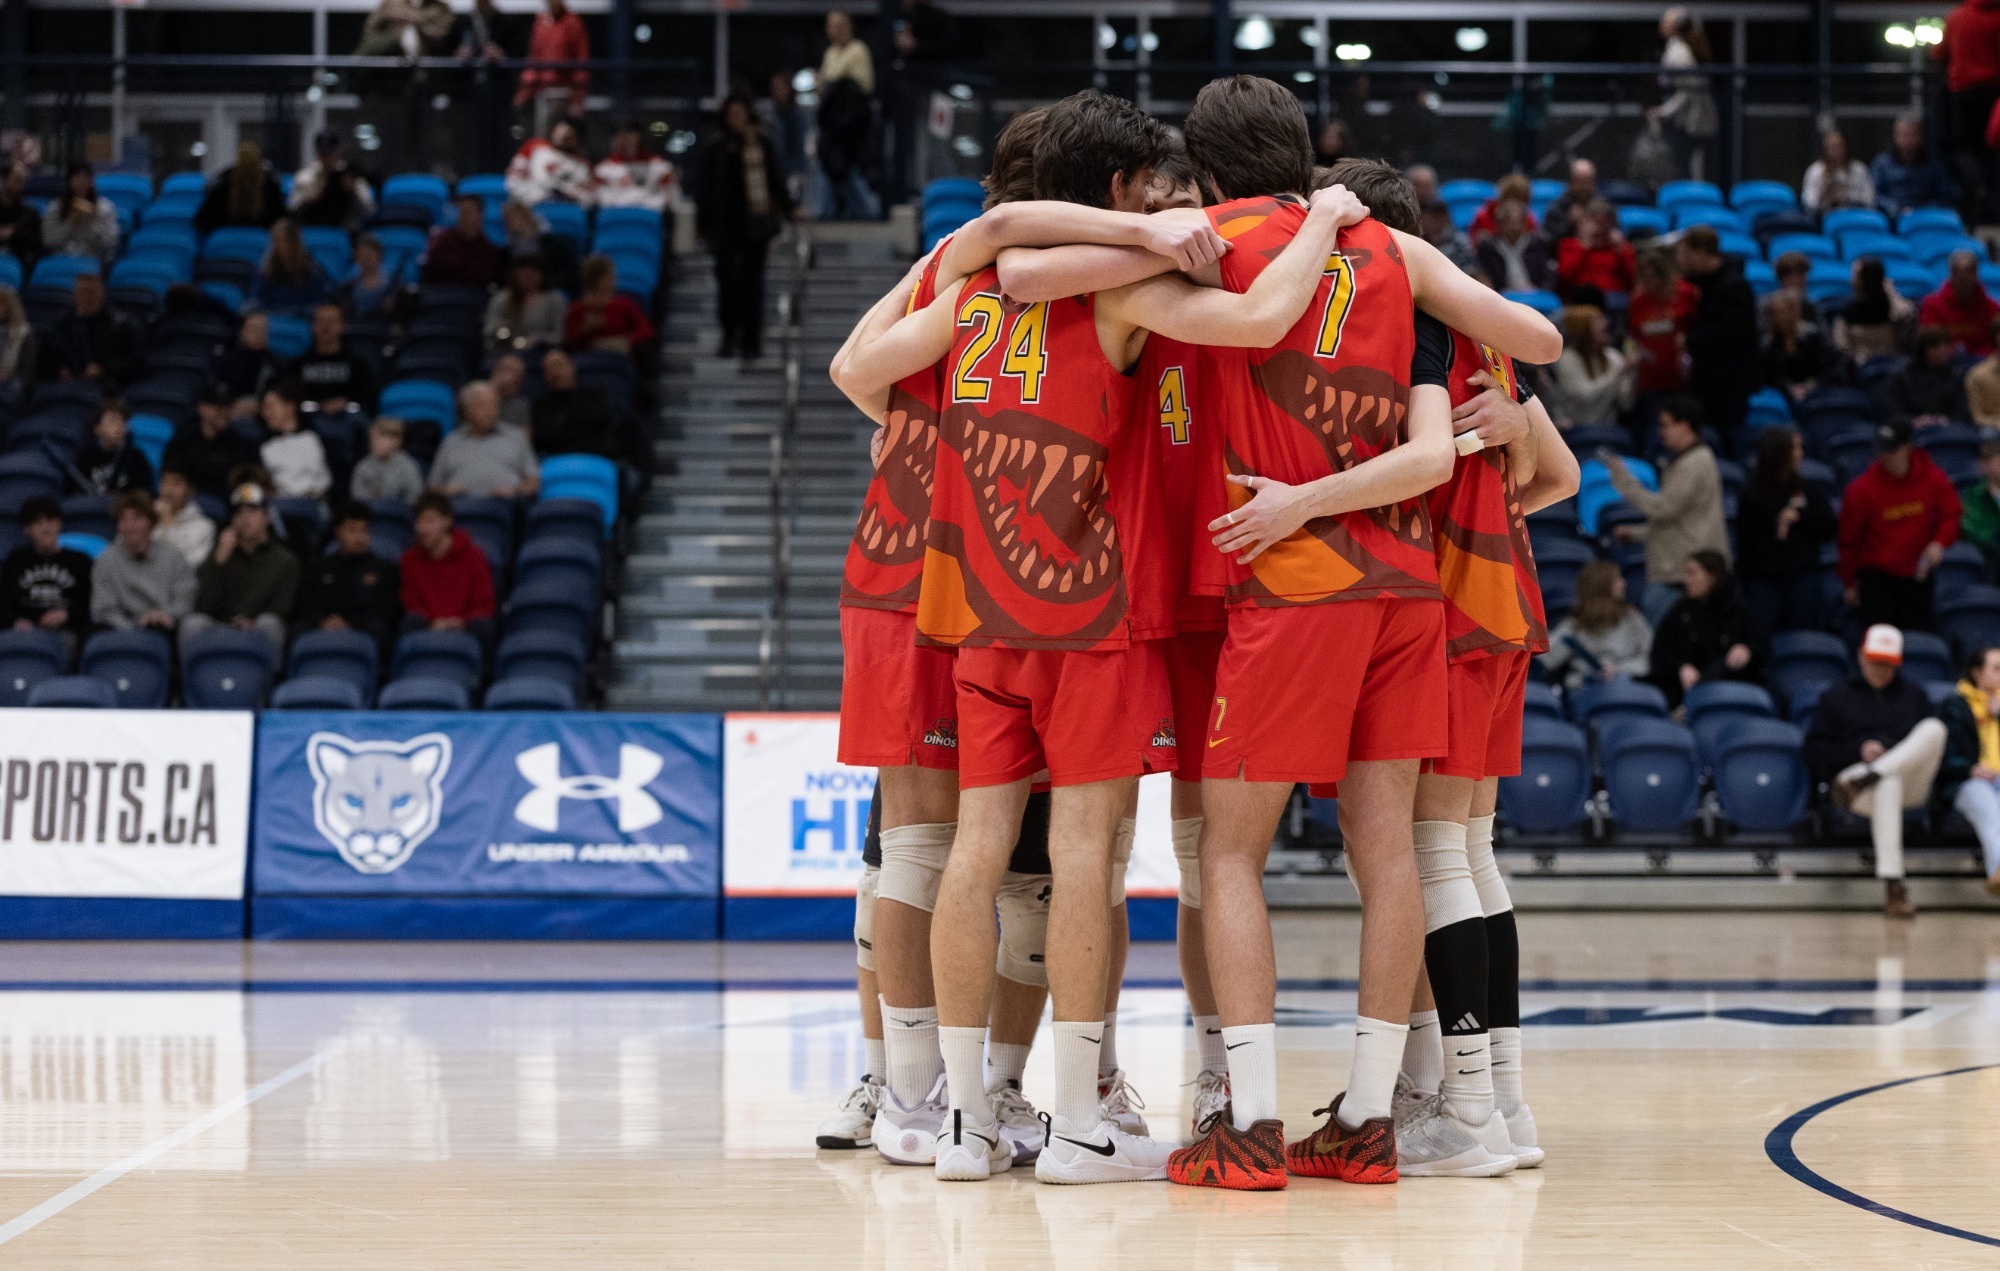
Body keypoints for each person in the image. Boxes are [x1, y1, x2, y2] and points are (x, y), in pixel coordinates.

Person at [1802, 624, 1942, 916]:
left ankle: (1878, 771)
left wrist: (1887, 756)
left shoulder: (1915, 696)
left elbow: (1926, 745)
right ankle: (1893, 884)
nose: (1881, 668)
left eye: (1888, 663)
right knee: (1887, 781)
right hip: (1853, 785)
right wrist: (1859, 750)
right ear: (1861, 656)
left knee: (1934, 728)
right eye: (1875, 660)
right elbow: (1813, 750)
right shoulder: (1835, 696)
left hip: (1909, 782)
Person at [1604, 394, 1730, 621]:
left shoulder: (1693, 463)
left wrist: (1624, 481)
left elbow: (1663, 509)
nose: (1660, 432)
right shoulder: (1694, 459)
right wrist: (1635, 534)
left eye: (1665, 425)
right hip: (1680, 571)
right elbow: (1680, 519)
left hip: (1679, 575)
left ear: (1684, 425)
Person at [1838, 419, 1962, 631]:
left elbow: (1951, 514)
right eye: (1880, 450)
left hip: (1917, 577)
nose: (1884, 456)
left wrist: (1939, 542)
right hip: (1877, 579)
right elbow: (1848, 540)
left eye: (1890, 450)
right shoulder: (1861, 490)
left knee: (1916, 641)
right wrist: (1849, 582)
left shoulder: (1933, 479)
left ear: (1906, 448)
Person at [697, 93, 793, 359]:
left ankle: (752, 341)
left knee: (753, 285)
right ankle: (729, 335)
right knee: (727, 284)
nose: (737, 119)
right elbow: (704, 191)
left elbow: (775, 180)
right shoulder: (714, 148)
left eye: (741, 114)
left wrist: (788, 209)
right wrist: (702, 228)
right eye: (732, 114)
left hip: (755, 226)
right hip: (724, 227)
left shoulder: (761, 144)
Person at [184, 482, 299, 660]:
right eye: (239, 513)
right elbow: (203, 607)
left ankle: (271, 682)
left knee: (270, 624)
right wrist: (219, 561)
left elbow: (282, 609)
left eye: (252, 511)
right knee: (193, 624)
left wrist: (251, 621)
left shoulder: (285, 560)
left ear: (267, 517)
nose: (245, 519)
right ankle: (191, 683)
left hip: (258, 626)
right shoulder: (221, 554)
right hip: (222, 625)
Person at [1737, 427, 1836, 632]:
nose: (1800, 454)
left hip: (1803, 578)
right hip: (1764, 581)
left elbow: (1828, 529)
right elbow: (1746, 544)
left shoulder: (1809, 490)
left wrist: (1801, 516)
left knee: (1804, 633)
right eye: (1795, 448)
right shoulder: (1751, 495)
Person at [1648, 549, 1767, 708]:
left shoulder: (1738, 611)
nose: (1686, 580)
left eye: (1692, 573)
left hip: (1734, 690)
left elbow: (1763, 646)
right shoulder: (1679, 612)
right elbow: (1660, 652)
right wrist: (1681, 668)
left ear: (1712, 578)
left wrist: (1747, 650)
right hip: (1684, 694)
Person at [1676, 224, 1760, 440]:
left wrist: (1690, 339)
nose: (1681, 260)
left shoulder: (1734, 286)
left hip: (1728, 383)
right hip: (1706, 379)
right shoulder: (1696, 284)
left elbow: (1732, 331)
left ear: (1702, 252)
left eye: (1686, 254)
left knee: (1726, 436)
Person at [295, 502, 402, 651]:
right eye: (352, 530)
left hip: (363, 628)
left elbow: (385, 611)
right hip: (323, 625)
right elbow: (308, 604)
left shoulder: (385, 569)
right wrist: (322, 622)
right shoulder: (319, 568)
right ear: (338, 532)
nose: (359, 537)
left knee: (378, 629)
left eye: (364, 530)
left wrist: (350, 624)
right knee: (298, 630)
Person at [90, 490, 196, 638]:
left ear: (151, 522)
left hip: (166, 623)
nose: (131, 526)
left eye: (137, 518)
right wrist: (133, 626)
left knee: (192, 625)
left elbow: (185, 597)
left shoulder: (173, 555)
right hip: (122, 629)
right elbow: (103, 609)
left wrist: (166, 615)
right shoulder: (105, 560)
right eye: (123, 520)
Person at [1938, 644, 2000, 894]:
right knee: (1988, 808)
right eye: (1996, 669)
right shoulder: (1955, 705)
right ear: (1976, 672)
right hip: (1968, 780)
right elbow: (1943, 755)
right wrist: (1969, 769)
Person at [1539, 559, 1654, 691]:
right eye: (1618, 579)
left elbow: (1649, 658)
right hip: (1585, 688)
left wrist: (1618, 669)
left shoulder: (1633, 618)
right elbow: (1546, 658)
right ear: (1602, 586)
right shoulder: (1575, 624)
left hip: (1628, 685)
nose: (1624, 583)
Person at [400, 491, 495, 645]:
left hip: (466, 626)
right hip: (427, 625)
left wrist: (460, 622)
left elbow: (483, 603)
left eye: (429, 521)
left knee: (483, 626)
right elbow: (411, 601)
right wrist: (433, 623)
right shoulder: (410, 559)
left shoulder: (474, 555)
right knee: (411, 622)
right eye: (419, 522)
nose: (422, 529)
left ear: (447, 521)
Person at [1935, 0, 2000, 222]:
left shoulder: (1957, 16)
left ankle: (1975, 187)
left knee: (1963, 148)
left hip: (1962, 92)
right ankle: (1989, 194)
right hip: (1993, 94)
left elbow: (1937, 53)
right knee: (1991, 148)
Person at [0, 497, 91, 650]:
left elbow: (90, 604)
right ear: (27, 529)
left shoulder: (80, 561)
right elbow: (3, 602)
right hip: (23, 632)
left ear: (60, 524)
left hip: (66, 631)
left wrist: (67, 614)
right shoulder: (16, 560)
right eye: (38, 523)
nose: (45, 528)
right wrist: (15, 621)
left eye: (50, 520)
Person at [816, 10, 880, 221]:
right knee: (833, 179)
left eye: (837, 25)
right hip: (832, 131)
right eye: (830, 26)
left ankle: (870, 219)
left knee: (853, 178)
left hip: (853, 131)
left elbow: (861, 86)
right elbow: (825, 86)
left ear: (848, 26)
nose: (833, 31)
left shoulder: (858, 50)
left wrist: (832, 84)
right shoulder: (830, 53)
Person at [429, 381, 540, 497]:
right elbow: (432, 488)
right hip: (459, 507)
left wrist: (517, 491)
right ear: (467, 410)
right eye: (482, 406)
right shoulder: (451, 441)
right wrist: (446, 492)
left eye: (493, 405)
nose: (490, 412)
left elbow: (534, 482)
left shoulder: (516, 437)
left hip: (508, 506)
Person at [38, 271, 140, 388]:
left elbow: (135, 363)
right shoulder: (61, 324)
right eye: (83, 292)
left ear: (102, 294)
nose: (88, 298)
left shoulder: (120, 325)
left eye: (92, 293)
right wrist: (57, 370)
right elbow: (44, 358)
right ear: (75, 295)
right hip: (66, 385)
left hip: (106, 387)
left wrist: (103, 369)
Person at [1653, 8, 1718, 180]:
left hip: (1687, 123)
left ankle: (1684, 203)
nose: (1661, 24)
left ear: (1674, 26)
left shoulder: (1679, 53)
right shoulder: (1676, 49)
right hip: (1685, 121)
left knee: (1679, 169)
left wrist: (1664, 111)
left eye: (1665, 21)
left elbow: (1688, 90)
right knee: (1679, 167)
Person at [163, 387, 260, 500]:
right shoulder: (183, 442)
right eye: (218, 407)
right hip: (189, 505)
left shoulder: (241, 444)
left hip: (229, 507)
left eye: (227, 406)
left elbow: (250, 485)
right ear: (202, 408)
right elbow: (171, 479)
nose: (224, 412)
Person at [1626, 249, 1694, 408]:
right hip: (1650, 377)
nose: (1647, 282)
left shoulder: (1685, 293)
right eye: (1643, 277)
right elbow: (1632, 335)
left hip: (1681, 376)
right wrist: (1629, 352)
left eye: (1651, 276)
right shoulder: (1638, 300)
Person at [1548, 304, 1633, 428]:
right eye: (1596, 322)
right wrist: (1618, 372)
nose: (1605, 323)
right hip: (1577, 428)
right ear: (1583, 330)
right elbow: (1585, 396)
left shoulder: (1612, 356)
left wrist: (1632, 374)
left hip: (1609, 427)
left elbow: (1626, 404)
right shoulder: (1568, 359)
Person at [530, 348, 617, 458]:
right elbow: (544, 436)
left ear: (572, 367)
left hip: (596, 458)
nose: (555, 372)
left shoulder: (595, 395)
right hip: (555, 460)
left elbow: (598, 422)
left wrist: (562, 422)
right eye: (548, 369)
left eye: (558, 365)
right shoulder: (540, 403)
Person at [515, 0, 590, 129]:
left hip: (563, 91)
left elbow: (581, 62)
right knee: (540, 134)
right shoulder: (540, 22)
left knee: (559, 134)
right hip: (540, 91)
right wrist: (524, 91)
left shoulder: (573, 23)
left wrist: (577, 99)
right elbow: (534, 58)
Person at [289, 303, 376, 413]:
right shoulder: (297, 365)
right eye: (320, 321)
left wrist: (345, 402)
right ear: (313, 326)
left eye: (332, 321)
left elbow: (368, 400)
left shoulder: (358, 364)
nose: (326, 326)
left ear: (342, 326)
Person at [1882, 325, 1971, 429]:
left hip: (1947, 429)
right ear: (1924, 350)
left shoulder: (1955, 375)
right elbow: (1891, 414)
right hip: (1909, 431)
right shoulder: (1902, 377)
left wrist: (1945, 419)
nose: (1943, 351)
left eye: (1947, 346)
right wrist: (1914, 421)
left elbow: (1962, 412)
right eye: (1936, 347)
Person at [564, 255, 655, 355]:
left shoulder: (624, 304)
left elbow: (646, 329)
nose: (614, 279)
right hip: (587, 359)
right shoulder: (577, 309)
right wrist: (585, 330)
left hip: (620, 355)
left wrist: (627, 341)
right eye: (610, 275)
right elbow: (568, 343)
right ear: (599, 279)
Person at [1871, 113, 1958, 218]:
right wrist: (1896, 208)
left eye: (1913, 135)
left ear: (1920, 136)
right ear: (1896, 136)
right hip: (1891, 218)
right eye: (1904, 135)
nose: (1908, 140)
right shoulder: (1882, 163)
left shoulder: (1933, 164)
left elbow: (1944, 196)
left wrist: (1920, 210)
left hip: (1926, 216)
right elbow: (1875, 195)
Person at [1833, 257, 1916, 364]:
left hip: (1892, 367)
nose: (1852, 281)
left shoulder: (1892, 309)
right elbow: (1841, 346)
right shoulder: (1847, 311)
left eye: (1856, 276)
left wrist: (1892, 293)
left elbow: (1906, 315)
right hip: (1859, 369)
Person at [1917, 250, 2000, 356]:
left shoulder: (1992, 307)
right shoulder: (1932, 305)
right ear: (1952, 274)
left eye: (1968, 273)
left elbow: (1995, 343)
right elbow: (1928, 342)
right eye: (1960, 275)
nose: (1964, 280)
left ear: (1976, 274)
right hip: (1944, 364)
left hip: (1982, 364)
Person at [289, 131, 377, 230]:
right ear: (318, 154)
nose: (327, 158)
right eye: (323, 154)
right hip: (312, 228)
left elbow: (370, 210)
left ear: (338, 151)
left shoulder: (349, 175)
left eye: (330, 153)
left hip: (346, 230)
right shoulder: (304, 177)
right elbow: (291, 210)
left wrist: (352, 191)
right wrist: (306, 199)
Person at [258, 384, 332, 500]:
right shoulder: (267, 447)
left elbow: (323, 479)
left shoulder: (311, 439)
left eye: (270, 407)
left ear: (289, 406)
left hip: (313, 502)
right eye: (264, 408)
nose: (265, 413)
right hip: (281, 504)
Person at [483, 253, 567, 354]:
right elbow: (488, 329)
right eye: (524, 273)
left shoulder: (555, 299)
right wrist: (500, 329)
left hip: (540, 353)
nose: (528, 277)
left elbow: (559, 335)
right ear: (515, 274)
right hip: (504, 352)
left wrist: (537, 339)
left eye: (533, 273)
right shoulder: (501, 298)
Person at [194, 143, 285, 234]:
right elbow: (280, 218)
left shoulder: (223, 183)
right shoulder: (270, 185)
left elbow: (202, 220)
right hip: (261, 239)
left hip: (226, 239)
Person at [1761, 290, 1834, 402]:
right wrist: (1790, 388)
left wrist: (1809, 386)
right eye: (1776, 314)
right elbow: (1770, 376)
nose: (1779, 318)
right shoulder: (1769, 345)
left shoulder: (1814, 338)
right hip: (1781, 395)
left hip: (1816, 391)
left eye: (1783, 313)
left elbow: (1826, 369)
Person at [1555, 200, 1635, 301]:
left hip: (1614, 299)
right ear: (1584, 224)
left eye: (1604, 223)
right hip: (1580, 299)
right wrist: (1585, 247)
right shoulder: (1569, 245)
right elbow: (1565, 278)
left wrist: (1620, 251)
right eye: (1596, 222)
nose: (1600, 228)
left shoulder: (1621, 248)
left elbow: (1632, 280)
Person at [41, 163, 118, 264]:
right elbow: (48, 240)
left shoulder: (105, 208)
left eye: (86, 178)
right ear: (69, 181)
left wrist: (90, 223)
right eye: (77, 177)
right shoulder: (55, 207)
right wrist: (70, 222)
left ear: (92, 181)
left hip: (93, 260)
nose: (82, 182)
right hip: (62, 260)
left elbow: (110, 242)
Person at [504, 119, 594, 207]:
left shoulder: (582, 165)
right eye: (560, 131)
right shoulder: (534, 147)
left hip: (563, 210)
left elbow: (589, 197)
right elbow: (513, 181)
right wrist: (540, 197)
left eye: (569, 135)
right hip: (531, 206)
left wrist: (568, 197)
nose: (562, 137)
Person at [74, 399, 153, 495]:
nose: (119, 426)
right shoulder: (85, 458)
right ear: (97, 429)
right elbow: (75, 494)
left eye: (123, 421)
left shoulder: (136, 458)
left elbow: (143, 495)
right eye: (112, 421)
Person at [253, 217, 331, 316]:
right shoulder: (266, 269)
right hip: (272, 320)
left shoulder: (312, 270)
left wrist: (294, 312)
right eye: (273, 240)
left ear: (293, 242)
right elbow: (257, 300)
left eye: (279, 240)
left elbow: (319, 303)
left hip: (303, 321)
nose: (275, 245)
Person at [425, 196, 505, 290]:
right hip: (443, 294)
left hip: (473, 298)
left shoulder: (489, 249)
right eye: (461, 212)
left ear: (480, 214)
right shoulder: (442, 242)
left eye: (469, 212)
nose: (464, 216)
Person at [594, 121, 675, 211]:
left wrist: (647, 203)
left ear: (639, 136)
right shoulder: (604, 168)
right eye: (620, 135)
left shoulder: (659, 166)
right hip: (618, 215)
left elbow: (670, 195)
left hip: (649, 215)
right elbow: (601, 197)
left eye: (629, 134)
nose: (624, 139)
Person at [1474, 198, 1552, 292]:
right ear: (1500, 223)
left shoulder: (1536, 244)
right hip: (1501, 296)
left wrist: (1538, 290)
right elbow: (1486, 278)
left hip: (1534, 294)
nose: (1515, 228)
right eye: (1510, 222)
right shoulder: (1488, 248)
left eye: (1518, 222)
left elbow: (1548, 276)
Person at [351, 416, 424, 505]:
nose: (373, 443)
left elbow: (415, 497)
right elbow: (357, 499)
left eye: (378, 439)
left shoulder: (408, 465)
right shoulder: (363, 466)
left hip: (399, 514)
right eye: (371, 439)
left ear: (396, 441)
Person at [215, 311, 283, 404]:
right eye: (253, 329)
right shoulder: (225, 359)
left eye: (263, 330)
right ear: (242, 331)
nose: (258, 334)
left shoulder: (276, 362)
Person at [1802, 128, 1875, 214]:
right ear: (1825, 149)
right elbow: (1808, 204)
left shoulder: (1859, 169)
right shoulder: (1815, 171)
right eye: (1832, 147)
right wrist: (1824, 193)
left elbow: (1870, 201)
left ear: (1846, 147)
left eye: (1839, 146)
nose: (1836, 152)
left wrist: (1847, 196)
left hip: (1855, 214)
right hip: (1824, 216)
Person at [154, 468, 216, 568]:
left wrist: (169, 526)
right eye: (164, 482)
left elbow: (188, 567)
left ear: (190, 490)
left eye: (176, 483)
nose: (168, 490)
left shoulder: (204, 527)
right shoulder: (145, 516)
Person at [337, 235, 403, 320]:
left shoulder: (393, 284)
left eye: (369, 256)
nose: (366, 260)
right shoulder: (349, 285)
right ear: (357, 258)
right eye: (363, 256)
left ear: (380, 257)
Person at [1539, 157, 1598, 244]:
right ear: (1570, 182)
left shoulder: (1603, 209)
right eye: (1579, 181)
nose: (1583, 187)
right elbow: (1547, 244)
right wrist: (1568, 223)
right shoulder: (1555, 209)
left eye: (1587, 181)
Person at [1467, 173, 1538, 245]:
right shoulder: (1482, 217)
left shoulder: (1528, 220)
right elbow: (1474, 245)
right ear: (1502, 198)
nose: (1515, 205)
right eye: (1512, 198)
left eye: (1521, 201)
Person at [1417, 194, 1478, 275]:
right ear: (1422, 219)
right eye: (1433, 217)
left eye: (1441, 217)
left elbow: (1471, 272)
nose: (1437, 223)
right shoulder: (1416, 241)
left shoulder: (1459, 241)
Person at [0, 161, 44, 266]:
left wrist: (13, 233)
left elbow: (37, 244)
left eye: (22, 181)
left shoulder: (30, 213)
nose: (19, 184)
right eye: (16, 179)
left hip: (18, 263)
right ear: (5, 179)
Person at [1967, 317, 2000, 426]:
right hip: (1993, 425)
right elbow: (1977, 417)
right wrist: (1995, 423)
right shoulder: (1977, 375)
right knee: (1988, 435)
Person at [490, 352, 533, 430]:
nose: (511, 378)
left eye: (518, 376)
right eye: (507, 370)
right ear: (495, 372)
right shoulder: (475, 395)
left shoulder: (522, 407)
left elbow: (525, 436)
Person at [0, 285, 30, 388]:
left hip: (10, 385)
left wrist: (8, 377)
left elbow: (27, 371)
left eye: (1, 302)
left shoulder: (24, 333)